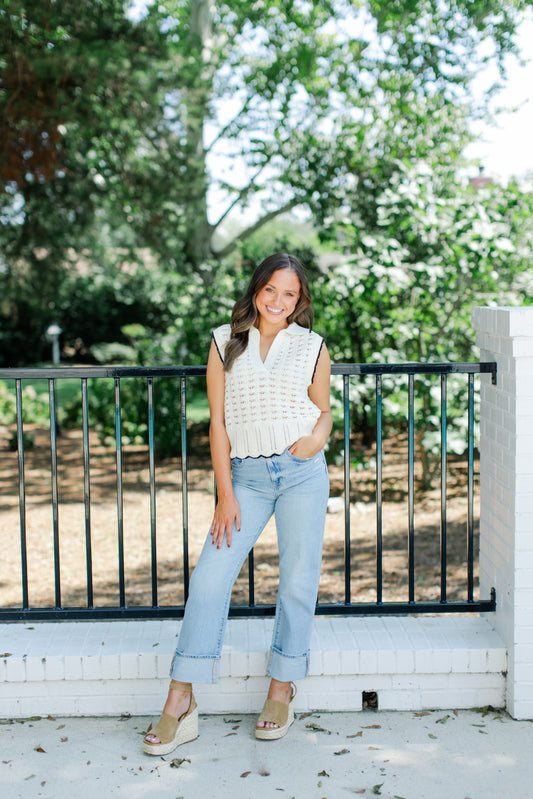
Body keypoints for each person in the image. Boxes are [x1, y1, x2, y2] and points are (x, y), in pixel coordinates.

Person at [143, 252, 332, 755]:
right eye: (270, 289)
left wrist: (316, 440)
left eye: (289, 293)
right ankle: (180, 699)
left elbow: (324, 413)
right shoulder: (225, 341)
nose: (278, 301)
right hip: (245, 479)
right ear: (255, 290)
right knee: (208, 577)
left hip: (301, 475)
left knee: (296, 581)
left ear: (299, 301)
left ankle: (281, 687)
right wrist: (225, 494)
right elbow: (219, 424)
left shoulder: (312, 345)